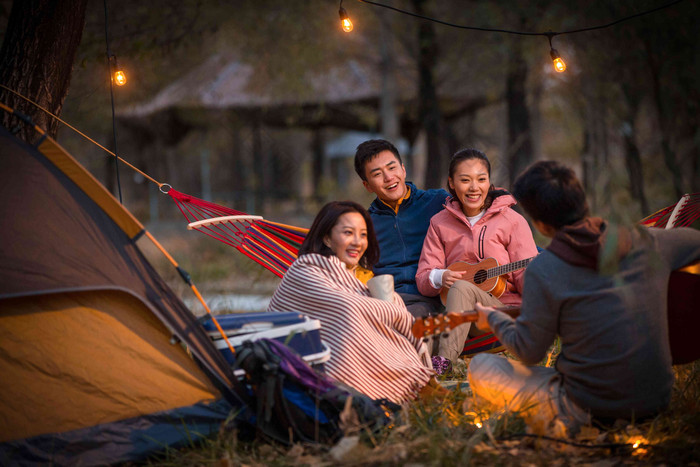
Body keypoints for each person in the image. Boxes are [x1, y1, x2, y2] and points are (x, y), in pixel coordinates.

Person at [469, 160, 700, 436]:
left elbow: (530, 351)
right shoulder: (648, 241)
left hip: (586, 408)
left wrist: (493, 319)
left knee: (481, 366)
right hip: (656, 401)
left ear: (541, 225)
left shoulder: (545, 269)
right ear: (583, 202)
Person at [267, 201, 443, 404]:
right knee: (353, 318)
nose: (357, 242)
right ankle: (400, 388)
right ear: (327, 238)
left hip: (322, 361)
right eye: (348, 233)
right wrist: (391, 307)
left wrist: (390, 302)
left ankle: (411, 387)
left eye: (363, 235)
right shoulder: (304, 270)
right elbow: (348, 307)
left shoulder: (351, 280)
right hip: (296, 367)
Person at [415, 148, 538, 361]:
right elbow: (424, 277)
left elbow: (525, 275)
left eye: (481, 179)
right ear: (452, 183)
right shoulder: (439, 223)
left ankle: (444, 363)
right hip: (459, 316)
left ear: (489, 182)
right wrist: (440, 276)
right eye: (465, 180)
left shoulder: (512, 220)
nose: (474, 188)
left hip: (502, 314)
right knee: (418, 332)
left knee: (462, 287)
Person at [354, 139, 449, 319]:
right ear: (367, 185)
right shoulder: (364, 224)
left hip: (430, 299)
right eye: (377, 174)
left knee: (405, 319)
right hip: (384, 302)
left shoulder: (437, 202)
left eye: (392, 168)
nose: (389, 177)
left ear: (403, 170)